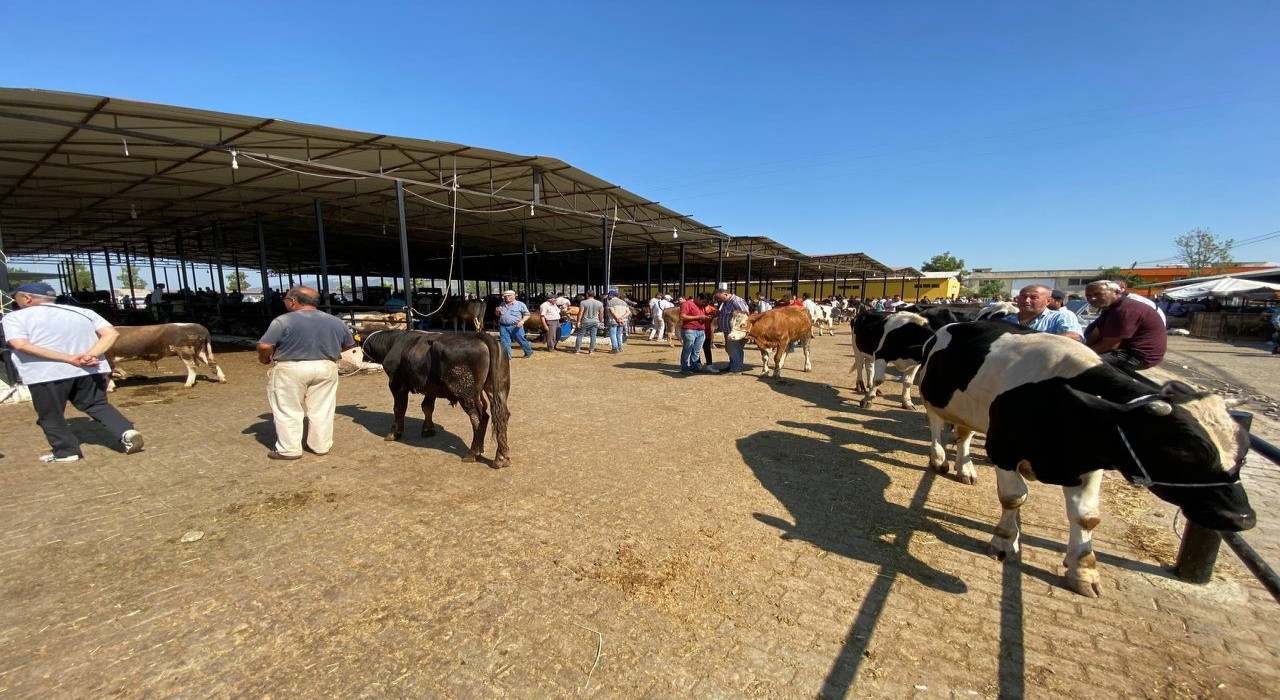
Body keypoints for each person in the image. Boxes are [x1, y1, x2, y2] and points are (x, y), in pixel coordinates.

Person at [1, 283, 144, 463]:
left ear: (27, 298)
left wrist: (69, 358)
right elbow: (111, 334)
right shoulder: (83, 312)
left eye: (17, 298)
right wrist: (90, 355)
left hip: (46, 374)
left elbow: (20, 344)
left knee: (51, 414)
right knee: (96, 404)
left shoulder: (15, 317)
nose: (16, 302)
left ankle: (66, 451)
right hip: (89, 369)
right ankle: (126, 431)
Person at [256, 286, 356, 460]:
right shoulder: (335, 321)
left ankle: (289, 450)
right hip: (326, 366)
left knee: (287, 409)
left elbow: (264, 346)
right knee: (323, 408)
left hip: (291, 368)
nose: (285, 302)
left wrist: (265, 358)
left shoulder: (283, 321)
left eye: (286, 299)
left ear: (293, 302)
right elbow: (349, 345)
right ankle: (320, 446)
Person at [1083, 280, 1166, 371]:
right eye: (1088, 296)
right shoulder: (1109, 307)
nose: (1092, 298)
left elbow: (1110, 344)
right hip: (1124, 350)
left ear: (1116, 292)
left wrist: (1082, 354)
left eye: (1098, 294)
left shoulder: (1124, 310)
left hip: (1138, 356)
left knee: (1082, 363)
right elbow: (1094, 333)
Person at [1007, 285, 1083, 341]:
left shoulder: (1060, 317)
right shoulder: (1005, 320)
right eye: (1023, 297)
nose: (1026, 300)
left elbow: (1074, 336)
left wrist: (1031, 342)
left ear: (1048, 301)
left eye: (1033, 297)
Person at [714, 289, 750, 374]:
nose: (719, 300)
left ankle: (735, 369)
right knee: (731, 349)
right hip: (728, 331)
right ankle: (732, 366)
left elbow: (745, 314)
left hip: (735, 332)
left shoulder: (736, 301)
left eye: (719, 298)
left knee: (735, 350)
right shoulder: (725, 302)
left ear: (725, 294)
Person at [495, 290, 533, 359]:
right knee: (505, 342)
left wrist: (522, 322)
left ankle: (528, 351)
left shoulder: (520, 304)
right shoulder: (502, 304)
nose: (507, 297)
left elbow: (527, 314)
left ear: (514, 296)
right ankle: (507, 357)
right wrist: (497, 312)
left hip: (516, 326)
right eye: (505, 296)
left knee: (520, 339)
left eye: (509, 296)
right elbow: (498, 315)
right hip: (503, 326)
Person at [678, 292, 709, 374]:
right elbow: (682, 316)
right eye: (703, 301)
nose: (704, 303)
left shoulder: (701, 306)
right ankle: (684, 368)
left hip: (701, 330)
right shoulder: (687, 304)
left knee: (696, 350)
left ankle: (694, 366)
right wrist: (699, 317)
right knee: (687, 349)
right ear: (698, 298)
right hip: (690, 330)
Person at [604, 289, 630, 353]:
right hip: (622, 321)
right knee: (619, 334)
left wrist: (617, 319)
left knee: (613, 334)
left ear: (611, 295)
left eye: (608, 295)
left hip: (614, 321)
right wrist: (622, 318)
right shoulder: (624, 302)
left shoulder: (610, 302)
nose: (607, 296)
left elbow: (612, 312)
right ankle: (620, 347)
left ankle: (615, 348)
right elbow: (628, 312)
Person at [700, 296, 720, 372]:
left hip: (707, 331)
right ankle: (697, 364)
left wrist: (715, 314)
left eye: (707, 302)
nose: (705, 303)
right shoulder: (697, 307)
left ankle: (709, 365)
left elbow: (717, 314)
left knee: (707, 348)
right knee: (696, 349)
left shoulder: (711, 308)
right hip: (697, 330)